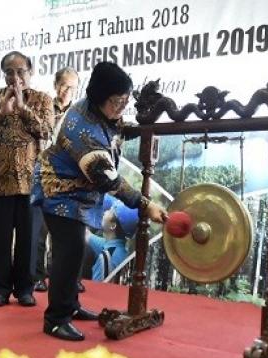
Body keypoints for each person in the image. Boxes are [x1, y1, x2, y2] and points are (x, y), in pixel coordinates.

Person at [31, 61, 168, 341]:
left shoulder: (100, 110)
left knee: (75, 252)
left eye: (124, 101)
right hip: (59, 193)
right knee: (67, 254)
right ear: (100, 97)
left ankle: (71, 306)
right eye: (117, 102)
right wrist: (146, 205)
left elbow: (116, 128)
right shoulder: (82, 131)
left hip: (79, 194)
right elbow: (110, 181)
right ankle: (56, 319)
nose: (121, 107)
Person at [0, 51, 54, 307]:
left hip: (32, 182)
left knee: (29, 240)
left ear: (30, 71)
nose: (15, 77)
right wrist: (2, 112)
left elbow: (46, 131)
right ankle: (0, 289)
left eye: (21, 71)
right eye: (10, 71)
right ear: (3, 74)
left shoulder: (42, 99)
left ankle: (25, 289)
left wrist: (23, 108)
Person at [32, 66, 80, 293]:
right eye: (63, 85)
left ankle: (66, 278)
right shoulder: (44, 108)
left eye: (71, 87)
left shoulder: (81, 113)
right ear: (55, 85)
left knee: (66, 233)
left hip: (70, 178)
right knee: (40, 230)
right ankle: (37, 276)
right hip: (45, 174)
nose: (66, 91)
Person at [87, 196, 137, 281]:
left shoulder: (106, 258)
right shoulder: (121, 250)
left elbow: (98, 291)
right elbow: (85, 235)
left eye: (110, 211)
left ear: (113, 226)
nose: (105, 211)